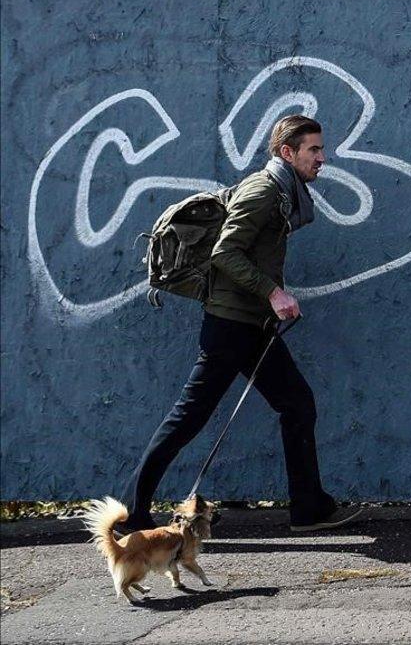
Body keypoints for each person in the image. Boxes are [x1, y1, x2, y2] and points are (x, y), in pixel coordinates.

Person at [121, 115, 357, 533]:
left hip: (252, 325)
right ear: (288, 152)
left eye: (321, 149)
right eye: (314, 150)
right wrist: (274, 292)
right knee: (188, 417)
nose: (323, 158)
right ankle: (131, 514)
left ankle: (309, 508)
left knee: (297, 405)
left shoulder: (284, 193)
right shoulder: (264, 190)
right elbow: (225, 254)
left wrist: (269, 300)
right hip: (231, 326)